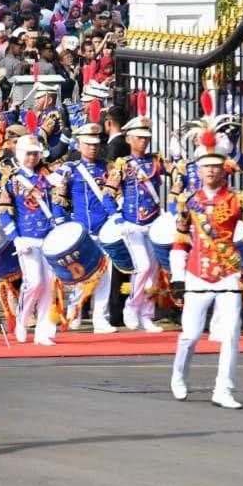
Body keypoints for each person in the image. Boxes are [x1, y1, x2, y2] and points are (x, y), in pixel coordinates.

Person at [168, 123, 243, 410]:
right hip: (197, 275)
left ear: (224, 168)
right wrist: (178, 278)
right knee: (189, 334)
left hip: (228, 274)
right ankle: (178, 375)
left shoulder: (240, 200)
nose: (211, 171)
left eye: (215, 166)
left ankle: (223, 389)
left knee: (232, 333)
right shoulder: (188, 202)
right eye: (205, 167)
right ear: (198, 170)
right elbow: (179, 241)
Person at [51, 114, 119, 333]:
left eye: (95, 144)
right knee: (80, 274)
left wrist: (115, 219)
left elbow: (114, 196)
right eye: (88, 144)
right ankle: (75, 312)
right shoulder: (70, 168)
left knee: (105, 275)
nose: (92, 148)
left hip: (103, 228)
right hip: (81, 231)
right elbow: (56, 195)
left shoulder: (106, 168)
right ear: (79, 144)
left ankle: (101, 317)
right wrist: (61, 221)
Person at [106, 102, 168, 332]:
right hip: (132, 224)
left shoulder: (155, 161)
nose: (144, 141)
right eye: (140, 137)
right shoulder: (123, 164)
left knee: (153, 271)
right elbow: (107, 195)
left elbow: (178, 172)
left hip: (152, 222)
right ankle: (131, 307)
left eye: (147, 137)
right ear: (130, 139)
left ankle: (147, 313)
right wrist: (117, 218)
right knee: (141, 266)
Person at [0, 132, 62, 345]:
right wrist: (15, 238)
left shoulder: (46, 177)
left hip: (49, 238)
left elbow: (56, 205)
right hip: (27, 240)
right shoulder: (13, 180)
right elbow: (4, 212)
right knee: (34, 283)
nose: (32, 158)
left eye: (35, 154)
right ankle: (22, 321)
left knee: (49, 285)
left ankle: (44, 330)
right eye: (28, 154)